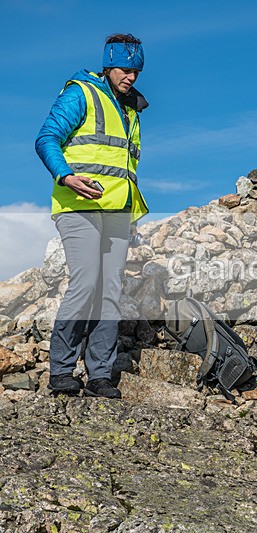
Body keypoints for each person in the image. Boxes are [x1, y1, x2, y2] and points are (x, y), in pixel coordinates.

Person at [35, 34, 150, 399]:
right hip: (78, 205)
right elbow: (47, 137)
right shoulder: (81, 93)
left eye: (136, 70)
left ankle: (100, 374)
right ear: (107, 65)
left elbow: (126, 168)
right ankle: (62, 370)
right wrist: (65, 175)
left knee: (110, 292)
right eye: (124, 69)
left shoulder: (131, 111)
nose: (130, 77)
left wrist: (131, 217)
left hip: (117, 212)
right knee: (85, 284)